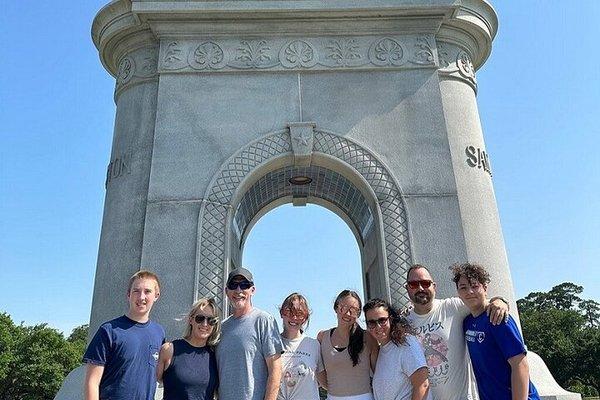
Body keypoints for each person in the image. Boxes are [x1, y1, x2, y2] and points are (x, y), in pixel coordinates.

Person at [404, 264, 509, 400]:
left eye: (425, 283)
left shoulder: (452, 307)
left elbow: (482, 302)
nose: (420, 288)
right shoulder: (402, 322)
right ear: (407, 288)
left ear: (434, 286)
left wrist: (500, 301)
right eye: (413, 284)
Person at [451, 263, 540, 400]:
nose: (469, 292)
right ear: (458, 293)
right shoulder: (467, 322)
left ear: (485, 288)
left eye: (475, 286)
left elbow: (520, 364)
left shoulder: (497, 318)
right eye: (463, 287)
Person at [82, 270, 165, 400]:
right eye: (136, 291)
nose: (141, 297)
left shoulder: (159, 333)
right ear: (128, 294)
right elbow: (92, 382)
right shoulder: (109, 331)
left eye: (147, 291)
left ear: (156, 295)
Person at [216, 267, 283, 400]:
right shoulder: (221, 327)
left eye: (244, 285)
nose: (238, 290)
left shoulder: (264, 320)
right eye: (233, 285)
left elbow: (275, 369)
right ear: (226, 291)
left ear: (252, 290)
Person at [363, 298, 431, 400]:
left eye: (382, 320)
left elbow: (422, 384)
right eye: (372, 323)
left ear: (390, 319)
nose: (378, 327)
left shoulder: (406, 343)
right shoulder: (381, 350)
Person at [317, 289, 379, 400]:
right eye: (343, 307)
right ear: (336, 308)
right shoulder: (322, 337)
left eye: (353, 310)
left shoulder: (368, 338)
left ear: (359, 313)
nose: (347, 313)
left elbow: (379, 374)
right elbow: (319, 371)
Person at [157, 298, 220, 400]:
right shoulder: (169, 350)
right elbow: (152, 382)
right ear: (191, 320)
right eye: (200, 318)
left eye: (211, 320)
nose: (205, 324)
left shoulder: (215, 355)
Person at [277, 292, 324, 400]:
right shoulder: (271, 343)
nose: (294, 317)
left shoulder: (314, 345)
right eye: (288, 312)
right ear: (281, 313)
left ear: (305, 317)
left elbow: (323, 381)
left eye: (299, 314)